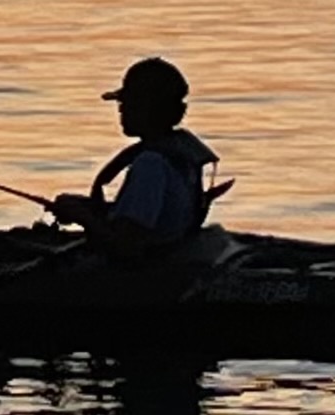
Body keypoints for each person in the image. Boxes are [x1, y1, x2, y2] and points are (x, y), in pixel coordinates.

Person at [51, 56, 230, 266]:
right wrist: (88, 208)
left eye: (126, 102)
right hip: (174, 256)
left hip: (149, 273)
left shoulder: (150, 164)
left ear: (147, 108)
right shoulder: (181, 154)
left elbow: (126, 248)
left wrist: (83, 218)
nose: (120, 109)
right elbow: (155, 216)